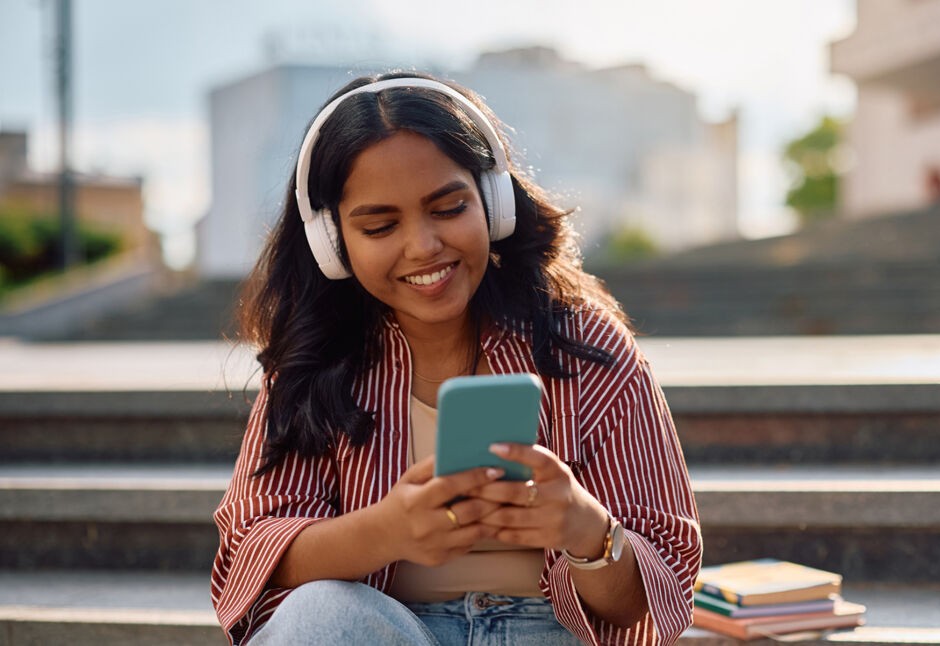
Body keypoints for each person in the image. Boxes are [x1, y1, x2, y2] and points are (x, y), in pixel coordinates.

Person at [211, 71, 702, 645]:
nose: (423, 246)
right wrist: (385, 531)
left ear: (492, 202)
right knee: (319, 615)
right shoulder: (314, 364)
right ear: (332, 242)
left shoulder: (588, 347)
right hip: (386, 630)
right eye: (380, 225)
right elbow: (251, 552)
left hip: (549, 630)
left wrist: (586, 530)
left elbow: (652, 599)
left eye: (448, 209)